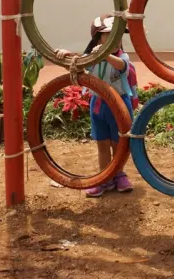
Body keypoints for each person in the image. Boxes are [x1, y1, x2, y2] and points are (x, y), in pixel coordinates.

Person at [56, 15, 137, 197]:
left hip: (119, 105)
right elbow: (78, 68)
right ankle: (105, 178)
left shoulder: (121, 56)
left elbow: (123, 65)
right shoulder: (91, 58)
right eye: (108, 35)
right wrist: (65, 55)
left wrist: (105, 54)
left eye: (117, 36)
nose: (114, 40)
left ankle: (119, 174)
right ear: (98, 39)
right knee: (102, 144)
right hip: (99, 105)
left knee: (119, 144)